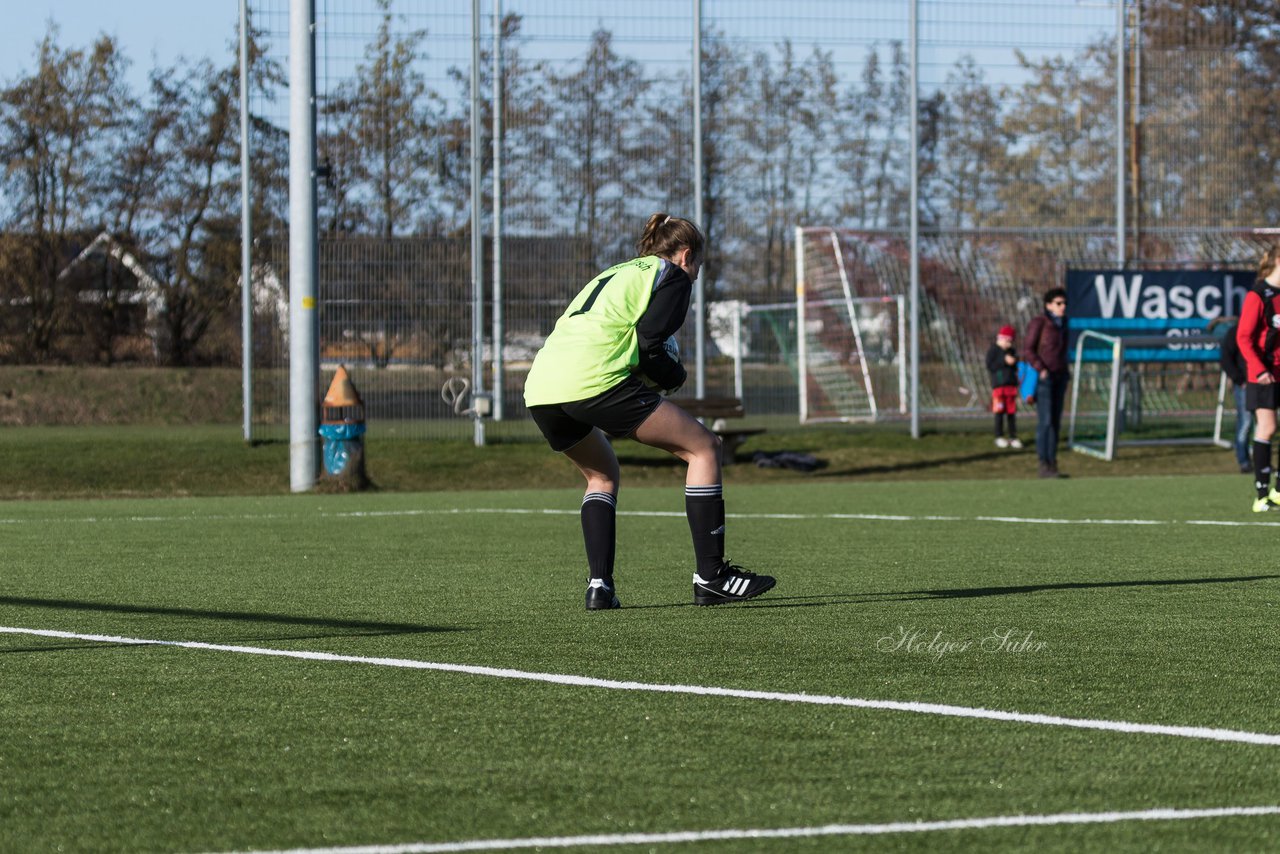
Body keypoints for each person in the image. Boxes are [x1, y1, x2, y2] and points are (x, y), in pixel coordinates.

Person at [523, 213, 777, 610]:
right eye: (698, 267)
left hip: (541, 388)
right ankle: (712, 577)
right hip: (595, 380)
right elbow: (650, 342)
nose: (695, 275)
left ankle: (599, 588)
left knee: (602, 475)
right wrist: (673, 375)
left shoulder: (616, 272)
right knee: (704, 447)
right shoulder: (671, 275)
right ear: (686, 255)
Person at [1234, 245, 1280, 512]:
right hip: (1262, 374)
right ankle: (1261, 494)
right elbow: (1243, 337)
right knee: (1267, 428)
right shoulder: (1258, 294)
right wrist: (1259, 368)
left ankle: (1277, 490)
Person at [1023, 287, 1069, 478]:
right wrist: (1040, 368)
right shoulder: (1040, 322)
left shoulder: (1064, 324)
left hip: (1060, 376)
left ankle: (1053, 462)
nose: (1063, 307)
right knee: (1046, 421)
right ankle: (1044, 462)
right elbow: (1028, 349)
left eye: (1064, 303)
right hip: (1045, 378)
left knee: (1056, 422)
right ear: (1048, 305)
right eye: (1059, 303)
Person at [1215, 317, 1252, 474]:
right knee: (1245, 422)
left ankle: (1264, 464)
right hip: (1245, 385)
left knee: (1266, 426)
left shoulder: (1262, 330)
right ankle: (1243, 461)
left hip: (1263, 385)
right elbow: (1226, 359)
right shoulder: (1235, 332)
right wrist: (1239, 379)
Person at [985, 325, 1023, 449]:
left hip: (1011, 388)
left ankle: (1013, 437)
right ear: (1000, 338)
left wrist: (1014, 361)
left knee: (1011, 413)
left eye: (1010, 341)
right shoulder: (994, 351)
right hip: (999, 388)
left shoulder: (1011, 351)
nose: (1008, 343)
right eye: (1006, 340)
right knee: (999, 412)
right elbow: (990, 365)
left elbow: (1016, 363)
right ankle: (999, 436)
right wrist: (1003, 360)